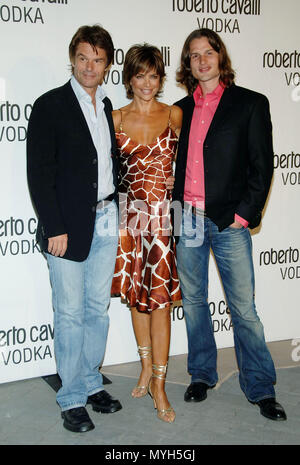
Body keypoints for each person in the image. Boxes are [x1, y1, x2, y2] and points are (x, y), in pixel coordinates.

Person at [172, 28, 287, 421]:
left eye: (208, 53)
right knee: (193, 303)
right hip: (186, 218)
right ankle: (201, 375)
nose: (202, 60)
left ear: (221, 58)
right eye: (193, 55)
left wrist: (243, 215)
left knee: (243, 309)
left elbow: (262, 165)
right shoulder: (178, 110)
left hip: (228, 223)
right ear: (187, 64)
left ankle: (260, 387)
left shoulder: (251, 104)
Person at [27, 24, 122, 433]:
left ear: (106, 65)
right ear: (72, 58)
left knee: (96, 309)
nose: (89, 65)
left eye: (97, 59)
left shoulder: (106, 105)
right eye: (83, 57)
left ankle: (87, 381)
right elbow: (39, 173)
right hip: (65, 226)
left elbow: (108, 165)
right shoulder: (50, 105)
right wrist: (54, 226)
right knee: (68, 313)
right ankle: (70, 399)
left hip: (105, 219)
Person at [111, 44, 182, 423]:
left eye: (154, 76)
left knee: (160, 303)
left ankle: (160, 382)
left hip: (164, 220)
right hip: (131, 218)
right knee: (138, 298)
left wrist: (178, 178)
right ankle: (144, 366)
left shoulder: (174, 114)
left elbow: (192, 161)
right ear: (129, 79)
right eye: (140, 75)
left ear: (161, 78)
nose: (147, 83)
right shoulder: (116, 118)